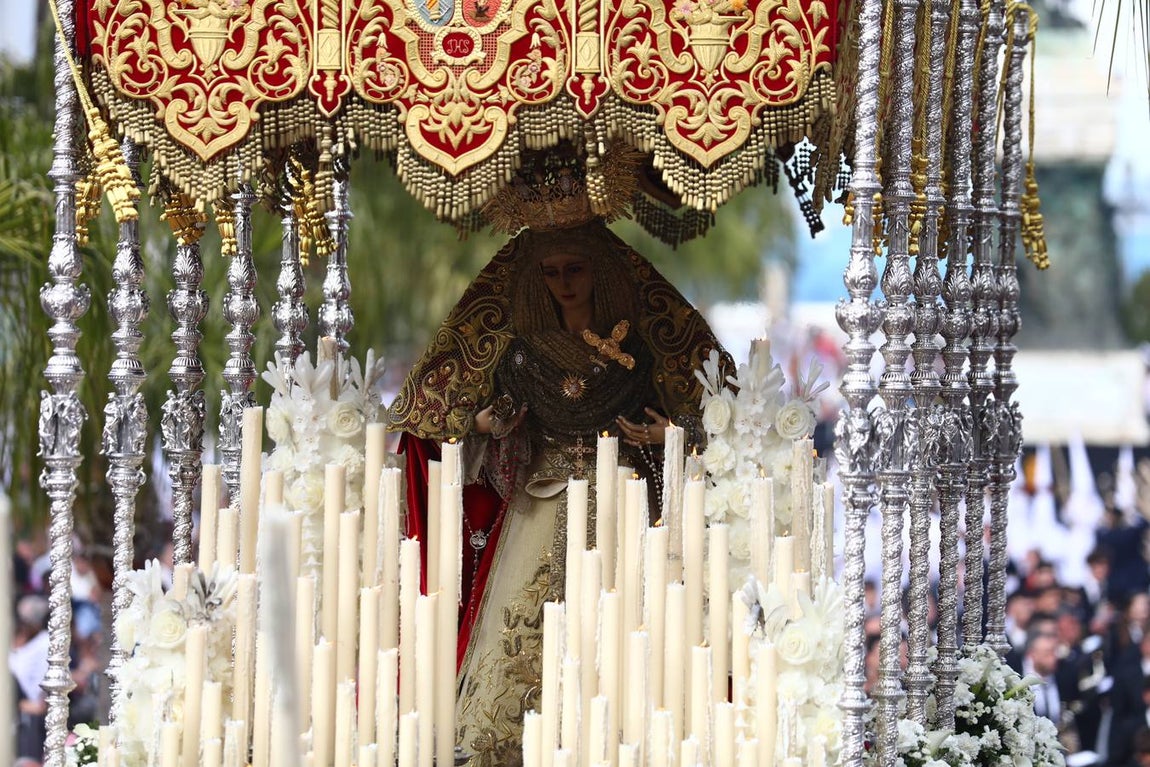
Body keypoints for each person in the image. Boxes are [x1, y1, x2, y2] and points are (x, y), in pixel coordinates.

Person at [388, 215, 731, 764]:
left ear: (599, 273)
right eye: (551, 272)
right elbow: (457, 419)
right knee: (523, 637)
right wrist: (488, 423)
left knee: (620, 636)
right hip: (540, 502)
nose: (565, 283)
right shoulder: (523, 356)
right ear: (536, 279)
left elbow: (704, 416)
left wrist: (668, 435)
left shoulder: (638, 354)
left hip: (620, 502)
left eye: (575, 269)